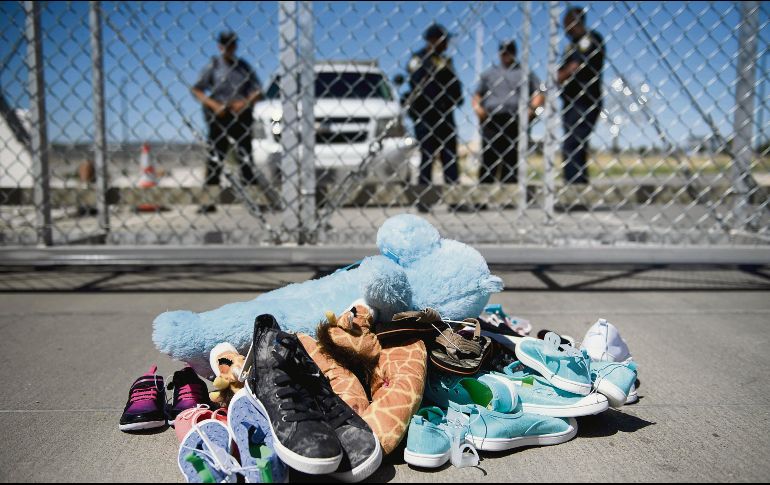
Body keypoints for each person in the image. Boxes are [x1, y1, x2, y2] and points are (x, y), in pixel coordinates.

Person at [191, 31, 263, 214]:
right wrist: (214, 105)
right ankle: (209, 200)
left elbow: (258, 91)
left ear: (235, 46)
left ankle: (253, 200)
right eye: (225, 44)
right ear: (219, 46)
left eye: (231, 44)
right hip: (219, 118)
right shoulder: (213, 66)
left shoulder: (243, 67)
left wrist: (244, 103)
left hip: (241, 116)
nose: (228, 48)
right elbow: (197, 89)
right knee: (215, 159)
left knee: (245, 159)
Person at [405, 23, 463, 211]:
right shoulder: (418, 59)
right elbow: (415, 82)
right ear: (433, 40)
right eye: (443, 40)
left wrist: (453, 96)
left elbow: (456, 87)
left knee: (450, 158)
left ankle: (454, 199)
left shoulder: (446, 61)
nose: (446, 44)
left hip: (445, 116)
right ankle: (424, 200)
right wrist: (430, 64)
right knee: (427, 158)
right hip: (425, 117)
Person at [473, 40, 545, 186]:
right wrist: (478, 109)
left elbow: (540, 91)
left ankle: (509, 197)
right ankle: (483, 196)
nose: (506, 55)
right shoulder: (490, 73)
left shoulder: (524, 72)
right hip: (492, 119)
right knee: (489, 157)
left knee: (511, 158)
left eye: (510, 51)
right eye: (504, 51)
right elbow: (477, 94)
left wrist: (532, 111)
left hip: (514, 119)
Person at [557, 7, 604, 185]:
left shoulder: (590, 40)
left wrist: (558, 76)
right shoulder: (573, 45)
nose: (565, 31)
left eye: (566, 26)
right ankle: (578, 186)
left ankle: (574, 187)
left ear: (574, 23)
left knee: (573, 144)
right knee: (574, 144)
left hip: (585, 100)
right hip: (571, 101)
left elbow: (574, 67)